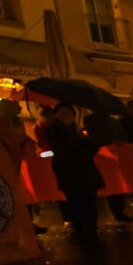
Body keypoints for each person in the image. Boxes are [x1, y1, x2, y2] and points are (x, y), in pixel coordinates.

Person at [44, 102, 105, 247]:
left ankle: (92, 235)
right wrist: (81, 143)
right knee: (77, 206)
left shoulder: (74, 130)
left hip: (85, 171)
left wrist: (90, 143)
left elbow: (87, 150)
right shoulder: (53, 130)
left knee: (90, 206)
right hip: (70, 173)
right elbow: (63, 148)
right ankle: (83, 237)